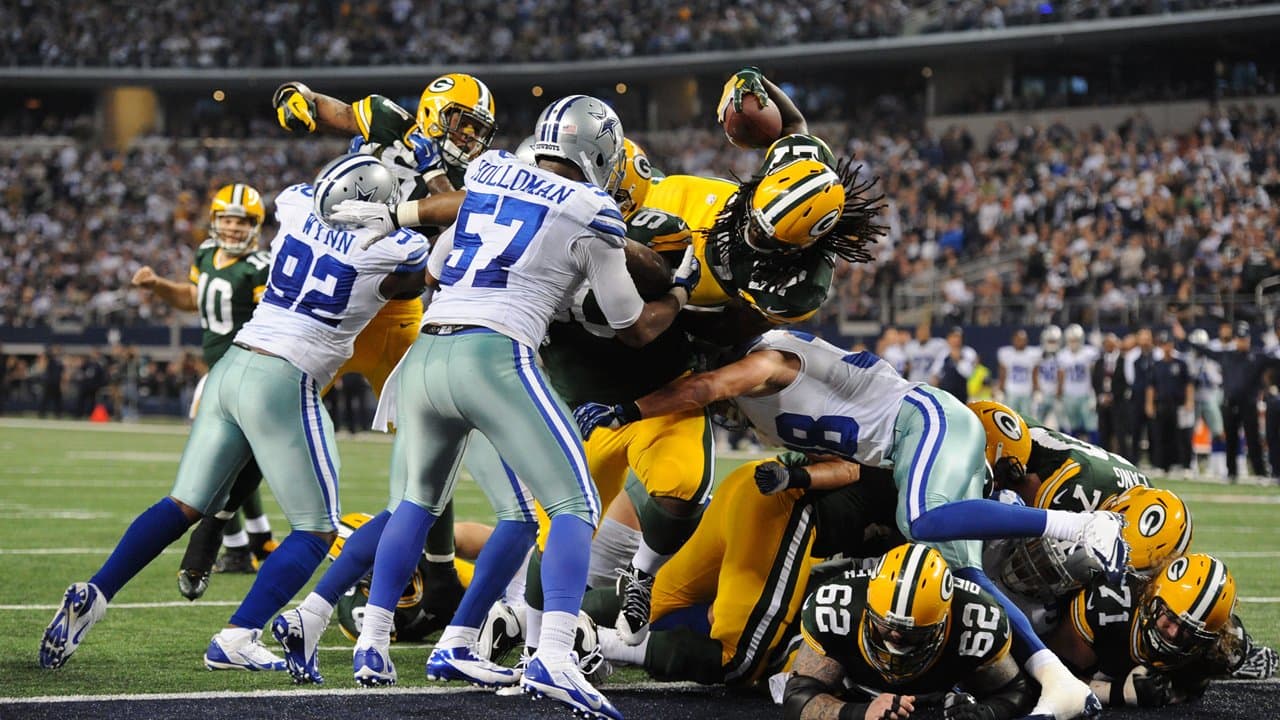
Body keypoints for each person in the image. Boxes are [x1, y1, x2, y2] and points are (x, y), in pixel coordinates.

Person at [332, 95, 698, 720]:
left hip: (426, 350)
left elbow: (440, 267)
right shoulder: (592, 207)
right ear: (603, 152)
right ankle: (553, 656)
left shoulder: (491, 170)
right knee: (576, 501)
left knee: (416, 503)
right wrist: (681, 291)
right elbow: (630, 325)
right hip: (493, 356)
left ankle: (375, 645)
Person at [576, 329, 1130, 720]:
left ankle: (1075, 527)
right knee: (963, 576)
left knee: (921, 518)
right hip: (901, 446)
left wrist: (630, 408)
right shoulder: (768, 389)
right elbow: (853, 459)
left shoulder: (766, 360)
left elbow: (708, 388)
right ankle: (1056, 679)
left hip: (928, 420)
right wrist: (801, 479)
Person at [39, 154, 430, 674]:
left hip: (231, 366)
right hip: (286, 376)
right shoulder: (394, 245)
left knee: (182, 503)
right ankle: (238, 635)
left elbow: (305, 194)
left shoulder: (294, 206)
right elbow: (414, 270)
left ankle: (97, 591)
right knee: (316, 530)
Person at [589, 457, 903, 687]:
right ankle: (597, 642)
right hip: (781, 509)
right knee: (738, 659)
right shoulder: (919, 502)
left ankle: (551, 623)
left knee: (652, 598)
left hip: (748, 484)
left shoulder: (890, 454)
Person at [132, 183, 277, 597]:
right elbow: (193, 299)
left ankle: (238, 542)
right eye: (227, 219)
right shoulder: (205, 254)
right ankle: (246, 540)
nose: (232, 228)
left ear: (255, 225)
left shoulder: (259, 266)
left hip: (244, 371)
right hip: (216, 370)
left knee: (222, 462)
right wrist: (158, 285)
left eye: (241, 221)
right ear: (215, 221)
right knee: (227, 461)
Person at [785, 543, 1035, 720]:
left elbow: (1015, 691)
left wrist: (984, 713)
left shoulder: (975, 619)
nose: (896, 636)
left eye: (913, 631)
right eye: (887, 625)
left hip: (936, 699)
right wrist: (860, 713)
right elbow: (798, 697)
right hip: (851, 690)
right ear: (867, 606)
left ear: (945, 618)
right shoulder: (837, 607)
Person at [1046, 554, 1251, 709]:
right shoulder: (1107, 607)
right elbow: (1047, 679)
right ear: (1153, 593)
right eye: (1169, 617)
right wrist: (1115, 693)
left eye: (1189, 632)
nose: (1172, 632)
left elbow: (1189, 689)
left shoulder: (1219, 652)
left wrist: (1171, 693)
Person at [1147, 332, 1193, 475]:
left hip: (1178, 405)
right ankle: (1162, 465)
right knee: (1161, 435)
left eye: (1169, 344)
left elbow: (1188, 384)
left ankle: (1183, 465)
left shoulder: (1181, 364)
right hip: (1161, 404)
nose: (1167, 347)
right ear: (1161, 346)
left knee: (1181, 436)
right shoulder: (1157, 365)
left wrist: (1189, 401)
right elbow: (1151, 386)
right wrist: (1149, 404)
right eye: (1164, 344)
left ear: (1173, 345)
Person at [1057, 324, 1099, 441]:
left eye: (1076, 340)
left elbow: (1095, 373)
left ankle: (1096, 452)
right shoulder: (1063, 355)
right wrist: (1059, 395)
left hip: (1085, 394)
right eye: (1071, 340)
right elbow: (1061, 376)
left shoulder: (1089, 352)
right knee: (1072, 425)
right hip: (1069, 395)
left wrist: (1094, 393)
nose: (1073, 342)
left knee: (1091, 425)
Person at [1092, 333, 1128, 455]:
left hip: (1117, 402)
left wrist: (1113, 396)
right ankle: (1104, 459)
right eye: (1106, 344)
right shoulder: (1100, 362)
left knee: (1120, 433)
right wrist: (1101, 396)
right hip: (1102, 403)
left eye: (1111, 343)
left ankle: (1124, 460)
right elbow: (1096, 381)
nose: (1108, 346)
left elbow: (1124, 382)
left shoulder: (1123, 361)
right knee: (1104, 433)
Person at [997, 329, 1041, 419]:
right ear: (1013, 340)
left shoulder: (1032, 354)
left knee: (1026, 419)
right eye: (1018, 339)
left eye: (1022, 340)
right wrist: (1000, 388)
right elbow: (1002, 372)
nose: (1020, 342)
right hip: (1011, 391)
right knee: (1010, 417)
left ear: (1026, 341)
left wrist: (1036, 388)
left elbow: (1035, 373)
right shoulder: (1006, 353)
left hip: (1026, 392)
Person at [930, 326, 977, 402]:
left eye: (958, 337)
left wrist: (957, 359)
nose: (956, 340)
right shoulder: (943, 353)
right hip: (945, 393)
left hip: (961, 394)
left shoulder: (968, 352)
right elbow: (935, 373)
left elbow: (967, 373)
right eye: (953, 337)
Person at [1033, 325, 1062, 427]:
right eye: (1049, 341)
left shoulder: (1063, 355)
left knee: (1059, 424)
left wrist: (1060, 392)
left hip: (1055, 394)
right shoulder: (1038, 354)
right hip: (1043, 392)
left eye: (1054, 341)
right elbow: (1034, 371)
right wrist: (1036, 389)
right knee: (1038, 424)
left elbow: (1062, 374)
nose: (1051, 344)